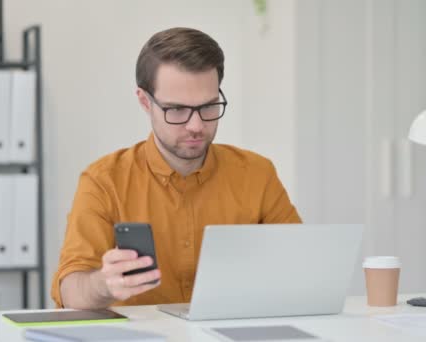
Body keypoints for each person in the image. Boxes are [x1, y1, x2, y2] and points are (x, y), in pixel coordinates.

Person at [51, 27, 301, 309]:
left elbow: (302, 266)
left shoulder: (257, 173)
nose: (196, 126)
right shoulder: (103, 181)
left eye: (208, 107)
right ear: (145, 102)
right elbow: (70, 291)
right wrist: (102, 284)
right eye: (177, 110)